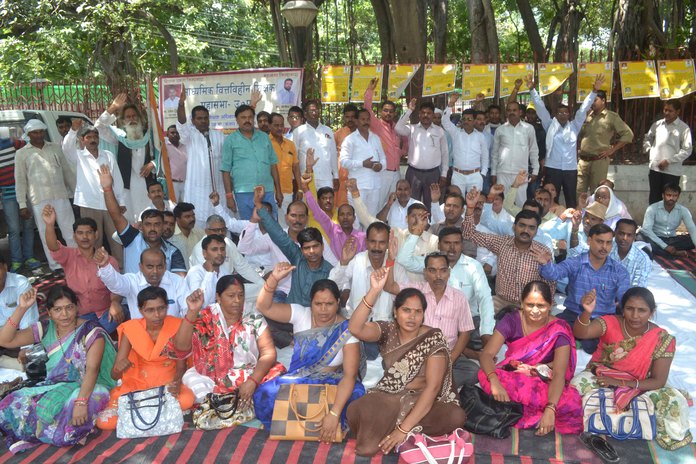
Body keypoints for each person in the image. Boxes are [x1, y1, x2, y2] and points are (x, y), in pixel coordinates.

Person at [346, 267, 466, 457]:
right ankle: (404, 432)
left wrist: (402, 429)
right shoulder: (387, 330)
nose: (412, 317)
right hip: (389, 398)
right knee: (357, 411)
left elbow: (433, 388)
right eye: (406, 310)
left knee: (456, 416)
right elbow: (355, 328)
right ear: (395, 312)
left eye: (418, 312)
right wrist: (374, 291)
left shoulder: (433, 337)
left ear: (423, 314)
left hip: (423, 401)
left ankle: (400, 431)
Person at [254, 264, 365, 439]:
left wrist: (335, 413)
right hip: (299, 379)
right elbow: (263, 307)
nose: (323, 309)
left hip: (331, 383)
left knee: (357, 397)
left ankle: (331, 421)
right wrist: (273, 279)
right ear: (310, 303)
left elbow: (350, 376)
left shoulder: (347, 330)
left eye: (329, 304)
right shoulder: (301, 314)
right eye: (318, 304)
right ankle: (315, 423)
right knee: (264, 394)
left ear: (338, 303)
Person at [571, 287, 692, 450]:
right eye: (630, 309)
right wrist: (586, 312)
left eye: (642, 310)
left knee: (674, 401)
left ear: (651, 312)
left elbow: (658, 380)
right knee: (575, 387)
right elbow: (581, 332)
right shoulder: (609, 322)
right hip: (602, 374)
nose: (635, 316)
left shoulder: (662, 338)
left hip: (641, 383)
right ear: (622, 308)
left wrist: (619, 382)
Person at [0, 286, 116, 453]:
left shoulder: (91, 331)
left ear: (77, 308)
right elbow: (5, 340)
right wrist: (22, 308)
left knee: (71, 426)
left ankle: (46, 427)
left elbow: (92, 370)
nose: (65, 314)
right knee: (6, 406)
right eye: (58, 309)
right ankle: (44, 427)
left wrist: (81, 403)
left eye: (69, 307)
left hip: (89, 386)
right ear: (49, 312)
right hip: (55, 385)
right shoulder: (46, 328)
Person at [478, 281, 582, 436]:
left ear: (551, 305)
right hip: (514, 376)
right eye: (529, 305)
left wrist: (550, 408)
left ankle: (528, 413)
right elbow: (487, 355)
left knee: (572, 400)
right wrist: (494, 381)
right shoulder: (511, 320)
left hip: (543, 380)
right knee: (484, 374)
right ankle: (533, 416)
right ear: (521, 303)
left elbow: (559, 374)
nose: (535, 311)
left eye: (541, 306)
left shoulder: (560, 329)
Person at [397, 227, 494, 386]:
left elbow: (485, 299)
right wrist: (415, 234)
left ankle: (434, 378)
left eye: (456, 243)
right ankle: (438, 379)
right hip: (431, 331)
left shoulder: (473, 266)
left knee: (475, 368)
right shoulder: (429, 262)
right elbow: (404, 260)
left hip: (466, 324)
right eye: (447, 243)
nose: (452, 247)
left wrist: (486, 333)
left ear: (462, 245)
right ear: (439, 245)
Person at [164, 283, 285, 404]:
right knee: (192, 381)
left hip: (248, 372)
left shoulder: (254, 317)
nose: (237, 300)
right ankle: (224, 405)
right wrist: (192, 311)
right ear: (218, 297)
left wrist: (252, 381)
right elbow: (181, 348)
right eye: (231, 295)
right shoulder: (206, 317)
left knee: (277, 377)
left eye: (241, 295)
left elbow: (268, 353)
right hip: (210, 375)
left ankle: (226, 404)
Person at [96, 287, 195, 430]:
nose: (157, 315)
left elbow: (181, 366)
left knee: (187, 400)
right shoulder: (131, 329)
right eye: (150, 310)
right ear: (141, 310)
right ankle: (157, 413)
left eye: (161, 308)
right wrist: (119, 367)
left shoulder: (177, 326)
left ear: (167, 306)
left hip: (167, 385)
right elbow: (114, 374)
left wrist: (177, 382)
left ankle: (143, 414)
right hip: (136, 386)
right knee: (105, 422)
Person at [537, 223, 630, 354]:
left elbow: (624, 298)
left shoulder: (619, 271)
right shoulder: (576, 263)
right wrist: (546, 263)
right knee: (550, 330)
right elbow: (553, 274)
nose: (604, 247)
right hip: (574, 314)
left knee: (611, 342)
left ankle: (577, 341)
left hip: (603, 319)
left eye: (608, 243)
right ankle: (576, 341)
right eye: (600, 241)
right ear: (589, 240)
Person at [462, 188, 555, 310]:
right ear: (514, 227)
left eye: (531, 228)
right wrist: (470, 208)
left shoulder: (542, 252)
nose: (526, 231)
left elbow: (551, 284)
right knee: (479, 314)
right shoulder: (502, 243)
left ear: (536, 231)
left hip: (529, 306)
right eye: (522, 225)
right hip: (500, 302)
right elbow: (469, 234)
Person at [42, 206, 123, 334]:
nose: (84, 236)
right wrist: (49, 225)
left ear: (96, 235)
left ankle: (91, 335)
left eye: (89, 232)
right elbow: (53, 247)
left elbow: (117, 287)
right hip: (80, 316)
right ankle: (93, 335)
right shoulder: (68, 256)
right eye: (80, 233)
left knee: (119, 314)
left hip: (106, 313)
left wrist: (115, 302)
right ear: (74, 236)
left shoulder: (109, 260)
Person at [526, 74, 602, 209]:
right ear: (555, 114)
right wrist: (532, 89)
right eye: (560, 113)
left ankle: (570, 223)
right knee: (548, 198)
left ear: (569, 115)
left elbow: (583, 109)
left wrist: (594, 91)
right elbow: (540, 107)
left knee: (571, 199)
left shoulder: (574, 126)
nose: (563, 115)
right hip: (552, 168)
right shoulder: (549, 125)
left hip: (570, 170)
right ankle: (547, 220)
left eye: (566, 113)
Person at [98, 164, 186, 275]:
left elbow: (180, 281)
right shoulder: (132, 238)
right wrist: (107, 189)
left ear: (163, 226)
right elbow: (116, 216)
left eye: (157, 224)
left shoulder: (172, 251)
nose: (152, 228)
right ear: (141, 226)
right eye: (148, 224)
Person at [255, 186, 334, 307]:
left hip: (316, 315)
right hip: (292, 311)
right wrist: (258, 204)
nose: (312, 251)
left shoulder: (329, 271)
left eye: (315, 246)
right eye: (307, 248)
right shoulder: (297, 257)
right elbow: (276, 232)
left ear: (322, 247)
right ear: (301, 249)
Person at [14, 119, 76, 271]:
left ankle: (77, 261)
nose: (39, 135)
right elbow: (20, 181)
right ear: (28, 134)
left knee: (69, 230)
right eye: (35, 132)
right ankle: (55, 266)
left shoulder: (55, 147)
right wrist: (22, 204)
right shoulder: (21, 154)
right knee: (46, 234)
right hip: (39, 199)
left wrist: (76, 193)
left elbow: (67, 172)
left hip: (60, 195)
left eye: (41, 131)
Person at [62, 121, 126, 267]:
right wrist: (73, 130)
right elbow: (66, 147)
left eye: (95, 136)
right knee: (93, 241)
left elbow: (117, 179)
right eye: (88, 137)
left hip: (110, 204)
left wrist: (121, 202)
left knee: (116, 239)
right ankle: (95, 272)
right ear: (82, 140)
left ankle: (121, 270)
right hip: (89, 204)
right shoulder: (78, 156)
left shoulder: (108, 155)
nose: (92, 140)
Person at [96, 94, 157, 223]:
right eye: (128, 117)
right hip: (126, 186)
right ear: (123, 121)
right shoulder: (119, 137)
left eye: (134, 116)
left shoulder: (149, 135)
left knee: (150, 218)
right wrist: (113, 108)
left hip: (147, 185)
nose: (132, 119)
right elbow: (99, 127)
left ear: (139, 118)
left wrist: (153, 163)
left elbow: (163, 154)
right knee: (130, 220)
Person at [221, 99, 283, 220]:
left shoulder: (264, 138)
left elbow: (273, 165)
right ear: (237, 120)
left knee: (272, 227)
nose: (247, 120)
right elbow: (226, 171)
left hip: (267, 191)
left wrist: (278, 191)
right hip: (244, 192)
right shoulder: (230, 140)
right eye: (243, 117)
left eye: (250, 117)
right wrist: (229, 196)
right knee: (248, 227)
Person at [176, 85, 225, 229]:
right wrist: (181, 104)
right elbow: (181, 123)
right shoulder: (190, 135)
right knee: (198, 226)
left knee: (219, 223)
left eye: (205, 118)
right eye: (199, 118)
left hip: (218, 189)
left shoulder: (218, 135)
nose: (203, 121)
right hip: (197, 191)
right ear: (193, 120)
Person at [96, 247, 187, 318]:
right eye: (150, 267)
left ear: (165, 266)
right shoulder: (132, 281)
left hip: (171, 336)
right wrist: (104, 266)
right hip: (141, 336)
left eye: (159, 267)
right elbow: (115, 283)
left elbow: (186, 308)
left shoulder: (177, 281)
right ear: (141, 267)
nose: (155, 271)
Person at [577, 90, 634, 196]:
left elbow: (628, 135)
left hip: (598, 161)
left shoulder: (611, 117)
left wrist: (612, 150)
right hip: (583, 161)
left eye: (595, 100)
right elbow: (580, 134)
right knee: (579, 193)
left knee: (597, 193)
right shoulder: (587, 115)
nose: (592, 103)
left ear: (603, 100)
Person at [396, 99, 448, 210]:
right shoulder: (412, 129)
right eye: (423, 113)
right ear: (419, 115)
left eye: (429, 113)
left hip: (433, 174)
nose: (425, 115)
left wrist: (443, 174)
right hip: (414, 173)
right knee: (412, 204)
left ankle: (430, 227)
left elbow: (445, 154)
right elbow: (398, 128)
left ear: (433, 115)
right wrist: (409, 110)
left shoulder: (439, 131)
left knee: (432, 204)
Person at [364, 79, 408, 207]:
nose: (388, 113)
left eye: (391, 111)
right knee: (379, 203)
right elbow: (367, 108)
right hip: (383, 172)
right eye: (385, 110)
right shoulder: (376, 125)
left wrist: (402, 152)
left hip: (396, 172)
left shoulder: (397, 127)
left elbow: (406, 139)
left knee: (394, 203)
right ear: (381, 112)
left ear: (394, 113)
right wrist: (370, 91)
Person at [0, 128, 39, 272]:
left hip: (25, 191)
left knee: (28, 226)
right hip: (7, 195)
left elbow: (29, 146)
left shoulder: (11, 142)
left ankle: (29, 257)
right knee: (14, 229)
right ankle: (17, 261)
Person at [302, 174, 366, 259]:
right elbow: (316, 210)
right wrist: (306, 189)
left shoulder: (362, 237)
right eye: (342, 214)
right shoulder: (333, 230)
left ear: (354, 218)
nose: (345, 217)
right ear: (338, 218)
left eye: (349, 214)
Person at [491, 101, 540, 207]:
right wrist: (494, 173)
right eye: (509, 110)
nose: (511, 113)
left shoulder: (529, 129)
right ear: (506, 113)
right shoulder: (500, 130)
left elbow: (533, 150)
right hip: (503, 173)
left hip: (521, 174)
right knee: (502, 204)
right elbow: (494, 153)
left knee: (520, 204)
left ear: (520, 112)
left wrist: (535, 170)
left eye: (514, 110)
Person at [644, 99, 692, 204]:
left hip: (672, 171)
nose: (666, 113)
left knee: (669, 200)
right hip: (655, 169)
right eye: (665, 110)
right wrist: (649, 150)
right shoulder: (657, 124)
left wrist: (669, 161)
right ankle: (653, 220)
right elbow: (647, 138)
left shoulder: (683, 128)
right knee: (654, 199)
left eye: (670, 111)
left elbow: (687, 150)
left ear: (678, 111)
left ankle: (668, 220)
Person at [340, 108, 386, 216]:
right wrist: (362, 164)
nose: (366, 122)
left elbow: (383, 158)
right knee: (355, 218)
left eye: (367, 119)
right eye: (362, 119)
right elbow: (344, 161)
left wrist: (381, 166)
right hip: (358, 186)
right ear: (356, 121)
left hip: (375, 185)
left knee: (371, 218)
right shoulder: (350, 139)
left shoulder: (375, 138)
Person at [0, 255, 40, 370]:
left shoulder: (20, 283)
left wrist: (25, 349)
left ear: (5, 267)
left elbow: (28, 321)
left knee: (33, 360)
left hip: (19, 335)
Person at [444, 96, 489, 194]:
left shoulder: (480, 136)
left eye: (469, 119)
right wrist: (450, 104)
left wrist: (483, 173)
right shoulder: (456, 133)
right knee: (457, 202)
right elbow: (445, 122)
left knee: (474, 204)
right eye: (464, 119)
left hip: (475, 176)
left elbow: (485, 156)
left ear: (474, 121)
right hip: (457, 175)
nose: (466, 121)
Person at [639, 183, 696, 258]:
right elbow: (647, 230)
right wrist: (665, 246)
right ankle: (673, 253)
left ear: (678, 197)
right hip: (655, 238)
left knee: (692, 238)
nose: (671, 198)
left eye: (675, 196)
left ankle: (665, 252)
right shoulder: (652, 208)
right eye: (668, 195)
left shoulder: (683, 210)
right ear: (663, 195)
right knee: (640, 239)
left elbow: (692, 229)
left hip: (673, 240)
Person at [294, 100, 339, 190]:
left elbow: (333, 154)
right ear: (305, 114)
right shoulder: (298, 131)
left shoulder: (328, 131)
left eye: (317, 110)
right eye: (311, 111)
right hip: (307, 177)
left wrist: (336, 177)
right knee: (309, 203)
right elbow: (295, 157)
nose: (315, 113)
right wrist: (295, 179)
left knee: (326, 203)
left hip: (326, 178)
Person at [269, 112, 301, 227]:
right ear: (269, 126)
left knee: (285, 225)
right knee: (270, 225)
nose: (279, 128)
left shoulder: (290, 144)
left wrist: (300, 189)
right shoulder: (265, 143)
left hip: (287, 191)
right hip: (269, 191)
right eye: (276, 125)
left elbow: (296, 167)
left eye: (281, 125)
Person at [611, 219, 651, 287]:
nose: (624, 238)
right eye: (621, 233)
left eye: (629, 235)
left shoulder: (642, 259)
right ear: (615, 233)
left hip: (627, 296)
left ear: (634, 236)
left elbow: (638, 288)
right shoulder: (605, 249)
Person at [333, 104, 359, 208]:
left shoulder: (362, 133)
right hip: (342, 174)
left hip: (357, 172)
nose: (350, 119)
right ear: (344, 118)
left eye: (353, 117)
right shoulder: (339, 133)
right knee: (341, 203)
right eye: (347, 117)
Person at [165, 124, 188, 202]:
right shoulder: (165, 147)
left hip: (186, 183)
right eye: (172, 132)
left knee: (186, 206)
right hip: (172, 183)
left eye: (177, 133)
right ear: (167, 134)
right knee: (173, 207)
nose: (175, 134)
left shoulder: (186, 147)